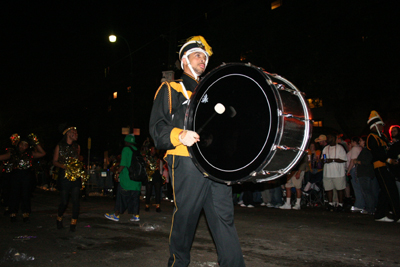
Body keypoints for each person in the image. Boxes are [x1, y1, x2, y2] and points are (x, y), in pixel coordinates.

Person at [149, 36, 245, 267]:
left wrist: (230, 162)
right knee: (186, 217)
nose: (203, 60)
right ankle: (178, 263)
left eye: (205, 57)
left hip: (215, 165)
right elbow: (157, 128)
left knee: (224, 218)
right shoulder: (171, 89)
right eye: (197, 55)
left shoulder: (212, 92)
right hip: (186, 160)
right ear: (184, 60)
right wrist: (179, 135)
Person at [0, 134, 46, 222]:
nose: (22, 146)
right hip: (15, 175)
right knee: (14, 194)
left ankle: (26, 213)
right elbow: (2, 157)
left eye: (25, 145)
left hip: (26, 175)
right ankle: (13, 213)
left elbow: (43, 153)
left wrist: (36, 143)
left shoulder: (30, 153)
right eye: (21, 144)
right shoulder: (13, 153)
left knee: (25, 194)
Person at [366, 111, 400, 222]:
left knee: (385, 192)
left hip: (386, 166)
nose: (382, 127)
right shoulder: (371, 137)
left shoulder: (382, 137)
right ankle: (397, 215)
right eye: (380, 125)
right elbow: (378, 153)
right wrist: (389, 160)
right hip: (380, 167)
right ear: (375, 125)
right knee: (391, 190)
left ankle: (379, 214)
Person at [105, 134, 142, 222]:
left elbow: (123, 164)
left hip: (127, 178)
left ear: (126, 142)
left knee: (121, 196)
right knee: (135, 198)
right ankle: (136, 215)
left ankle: (116, 215)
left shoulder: (126, 149)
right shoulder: (137, 151)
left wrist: (117, 172)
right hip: (136, 180)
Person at [53, 126, 83, 232]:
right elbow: (55, 161)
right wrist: (64, 166)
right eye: (73, 132)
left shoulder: (77, 147)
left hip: (75, 175)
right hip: (64, 175)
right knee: (64, 201)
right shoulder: (59, 146)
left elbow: (78, 159)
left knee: (76, 200)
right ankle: (59, 217)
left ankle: (73, 222)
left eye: (76, 132)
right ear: (68, 133)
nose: (76, 134)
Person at [322, 134, 347, 212]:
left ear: (333, 138)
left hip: (338, 173)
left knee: (340, 189)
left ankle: (340, 204)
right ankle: (330, 204)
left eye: (329, 137)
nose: (328, 138)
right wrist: (324, 160)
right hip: (327, 172)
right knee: (329, 189)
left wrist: (332, 160)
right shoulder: (325, 148)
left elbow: (344, 159)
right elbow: (323, 158)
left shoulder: (340, 148)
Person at [354, 136, 377, 215]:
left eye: (360, 141)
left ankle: (370, 208)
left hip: (365, 174)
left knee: (367, 192)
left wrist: (358, 161)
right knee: (367, 191)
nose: (359, 142)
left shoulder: (367, 150)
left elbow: (367, 161)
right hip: (364, 173)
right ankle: (370, 207)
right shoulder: (364, 150)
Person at [346, 137, 364, 212]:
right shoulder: (360, 148)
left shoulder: (354, 149)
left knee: (357, 188)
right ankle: (362, 204)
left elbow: (352, 160)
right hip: (359, 169)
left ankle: (359, 205)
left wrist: (348, 170)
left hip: (354, 169)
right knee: (360, 187)